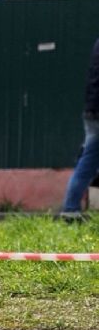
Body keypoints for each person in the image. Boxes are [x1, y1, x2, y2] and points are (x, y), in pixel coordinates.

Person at [58, 36, 99, 221]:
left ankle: (71, 208)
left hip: (92, 110)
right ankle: (70, 208)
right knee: (89, 160)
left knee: (88, 160)